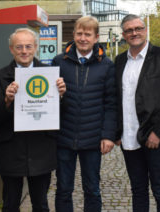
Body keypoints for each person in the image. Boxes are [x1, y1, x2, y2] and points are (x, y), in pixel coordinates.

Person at [115, 14, 160, 212]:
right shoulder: (120, 61)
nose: (134, 33)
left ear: (145, 30)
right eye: (129, 30)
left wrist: (159, 133)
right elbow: (116, 99)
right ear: (123, 35)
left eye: (138, 28)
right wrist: (117, 133)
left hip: (155, 138)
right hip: (129, 138)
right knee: (138, 190)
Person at [0, 28, 66, 212]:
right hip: (11, 150)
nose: (24, 51)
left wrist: (61, 97)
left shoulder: (51, 76)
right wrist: (6, 101)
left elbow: (61, 114)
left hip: (42, 149)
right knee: (10, 204)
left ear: (36, 48)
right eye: (19, 47)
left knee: (40, 204)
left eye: (28, 46)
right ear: (11, 49)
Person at [53, 16, 117, 212]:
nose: (82, 38)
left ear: (96, 37)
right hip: (64, 137)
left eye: (87, 34)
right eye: (79, 34)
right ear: (73, 35)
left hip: (92, 139)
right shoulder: (58, 62)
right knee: (63, 189)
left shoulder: (107, 65)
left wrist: (108, 135)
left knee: (92, 189)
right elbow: (49, 100)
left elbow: (111, 103)